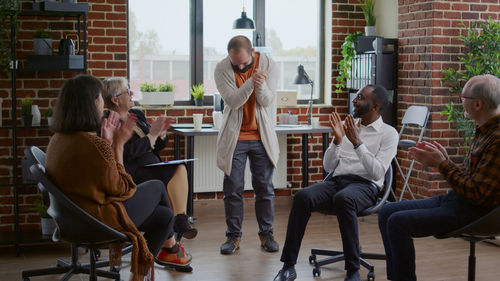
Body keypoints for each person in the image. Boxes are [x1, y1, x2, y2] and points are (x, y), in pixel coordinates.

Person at [45, 75, 192, 281]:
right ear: (91, 104)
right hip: (96, 217)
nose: (102, 104)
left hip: (75, 216)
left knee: (164, 216)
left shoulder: (58, 140)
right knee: (158, 187)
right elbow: (121, 188)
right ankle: (164, 252)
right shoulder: (91, 143)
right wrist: (118, 145)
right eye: (99, 99)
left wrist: (108, 142)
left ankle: (163, 253)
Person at [378, 74, 500, 281]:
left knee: (398, 222)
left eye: (463, 98)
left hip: (478, 213)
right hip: (460, 201)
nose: (460, 102)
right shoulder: (484, 130)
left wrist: (441, 164)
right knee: (387, 210)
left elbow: (477, 193)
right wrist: (445, 159)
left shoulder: (497, 139)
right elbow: (472, 180)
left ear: (478, 104)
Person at [273, 85, 399, 281]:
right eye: (356, 97)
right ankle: (288, 266)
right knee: (302, 197)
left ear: (375, 106)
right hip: (337, 181)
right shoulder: (347, 125)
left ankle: (353, 271)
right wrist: (338, 141)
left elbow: (376, 172)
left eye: (360, 97)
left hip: (366, 186)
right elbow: (328, 165)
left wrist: (358, 143)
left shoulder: (389, 133)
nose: (354, 101)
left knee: (344, 199)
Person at [102, 77, 197, 240]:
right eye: (127, 91)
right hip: (134, 173)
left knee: (181, 167)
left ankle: (179, 220)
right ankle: (176, 228)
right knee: (175, 172)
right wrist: (151, 136)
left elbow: (157, 145)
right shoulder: (108, 123)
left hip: (153, 166)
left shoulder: (136, 114)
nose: (132, 93)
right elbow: (126, 152)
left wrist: (161, 134)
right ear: (115, 100)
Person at [214, 35, 280, 254]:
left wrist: (259, 86)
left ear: (252, 51)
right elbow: (233, 101)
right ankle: (233, 236)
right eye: (236, 64)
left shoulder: (269, 65)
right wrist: (252, 81)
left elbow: (267, 101)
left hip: (261, 136)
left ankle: (266, 234)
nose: (240, 66)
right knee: (233, 189)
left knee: (265, 188)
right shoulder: (222, 68)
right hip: (236, 137)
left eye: (244, 62)